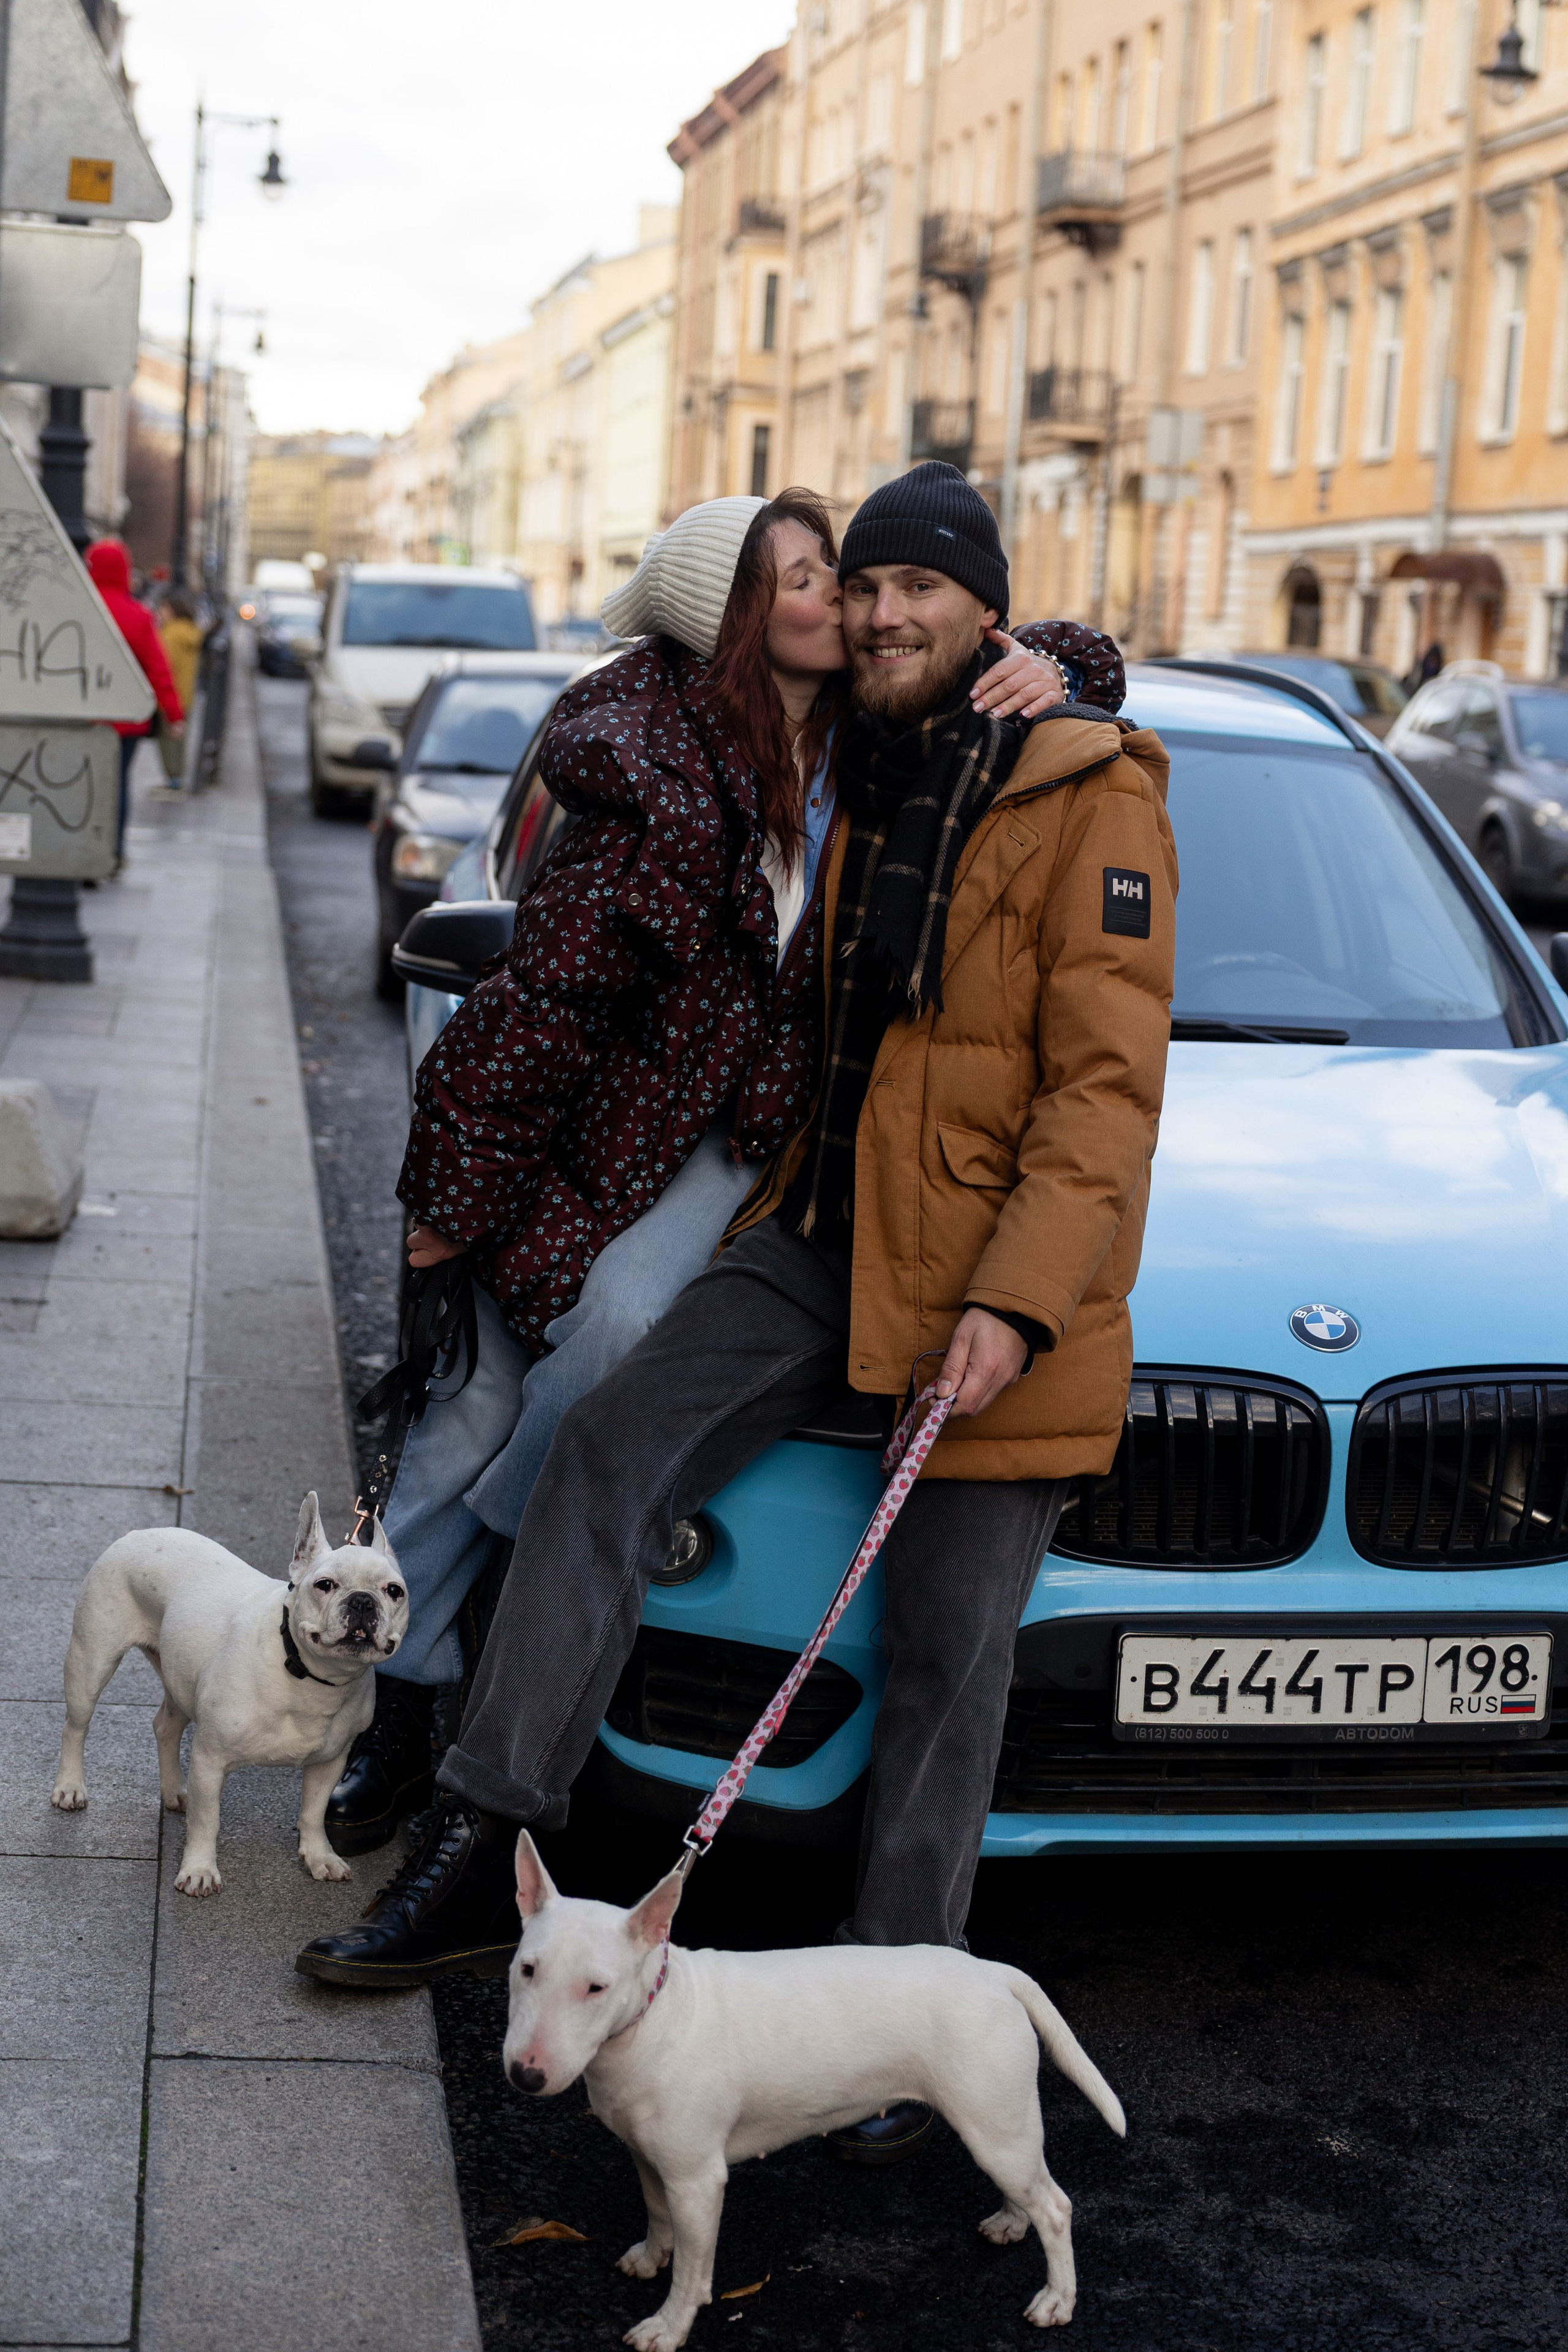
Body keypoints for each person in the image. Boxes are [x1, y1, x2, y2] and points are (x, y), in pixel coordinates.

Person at [297, 459, 1175, 2168]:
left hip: (994, 1270)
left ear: (985, 610)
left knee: (949, 1643)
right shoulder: (860, 750)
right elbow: (679, 694)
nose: (889, 614)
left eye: (927, 591)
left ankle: (903, 2007)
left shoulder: (1092, 789)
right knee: (606, 1452)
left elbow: (1103, 1094)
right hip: (821, 1233)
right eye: (868, 589)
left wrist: (1012, 1303)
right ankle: (492, 1847)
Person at [318, 488, 1079, 1858]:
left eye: (837, 575)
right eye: (802, 578)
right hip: (589, 1135)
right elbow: (540, 1001)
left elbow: (993, 644)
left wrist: (1066, 665)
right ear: (730, 618)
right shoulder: (643, 762)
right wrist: (454, 1203)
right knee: (477, 1398)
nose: (841, 600)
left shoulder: (869, 726)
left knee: (603, 1351)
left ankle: (504, 1583)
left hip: (741, 1149)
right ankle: (394, 1705)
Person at [85, 540, 185, 869]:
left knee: (82, 783)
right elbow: (159, 669)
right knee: (118, 785)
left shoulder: (83, 611)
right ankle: (113, 852)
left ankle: (83, 849)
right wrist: (174, 714)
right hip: (126, 721)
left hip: (84, 718)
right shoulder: (139, 616)